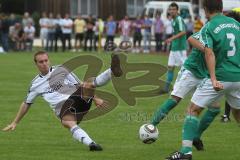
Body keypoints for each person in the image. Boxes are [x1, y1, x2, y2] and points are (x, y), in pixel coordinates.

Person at [2, 51, 123, 151]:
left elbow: (80, 85)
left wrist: (96, 98)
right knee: (68, 122)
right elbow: (26, 103)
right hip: (62, 109)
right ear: (36, 64)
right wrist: (15, 122)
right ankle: (92, 144)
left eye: (46, 60)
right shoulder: (35, 84)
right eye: (41, 62)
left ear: (49, 60)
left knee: (88, 84)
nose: (44, 63)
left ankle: (113, 70)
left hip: (76, 100)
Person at [166, 0, 240, 159]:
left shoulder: (209, 26)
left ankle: (185, 152)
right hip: (238, 77)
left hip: (221, 76)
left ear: (206, 10)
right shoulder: (235, 24)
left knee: (192, 110)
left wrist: (213, 79)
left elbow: (209, 52)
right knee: (238, 115)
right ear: (221, 8)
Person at [164, 2, 187, 92]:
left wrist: (171, 38)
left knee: (185, 69)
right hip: (174, 48)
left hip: (180, 48)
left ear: (177, 11)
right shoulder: (173, 20)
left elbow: (183, 32)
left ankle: (188, 87)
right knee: (170, 67)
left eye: (174, 9)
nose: (172, 11)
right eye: (170, 9)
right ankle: (167, 88)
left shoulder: (179, 19)